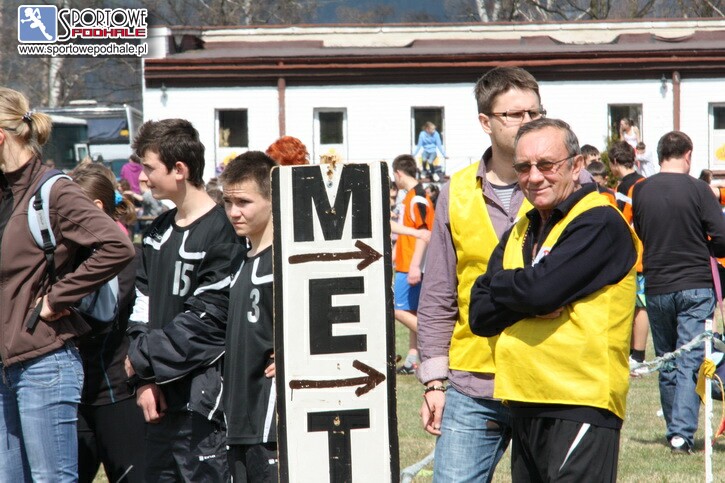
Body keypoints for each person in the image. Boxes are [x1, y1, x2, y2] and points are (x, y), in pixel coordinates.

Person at [469, 118, 638, 482]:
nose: (534, 177)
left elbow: (540, 292)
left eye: (546, 165)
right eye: (523, 167)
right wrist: (527, 293)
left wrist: (512, 288)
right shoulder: (521, 228)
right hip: (523, 399)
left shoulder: (599, 222)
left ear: (576, 166)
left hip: (579, 401)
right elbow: (479, 315)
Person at [0, 87, 135, 482]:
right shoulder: (4, 194)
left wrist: (57, 298)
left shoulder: (53, 191)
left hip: (43, 363)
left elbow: (117, 246)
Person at [124, 119, 241, 481]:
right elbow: (140, 306)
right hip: (157, 400)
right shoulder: (156, 231)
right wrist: (144, 380)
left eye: (149, 168)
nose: (143, 178)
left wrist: (142, 360)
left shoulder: (225, 230)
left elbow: (208, 320)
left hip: (203, 405)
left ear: (179, 169)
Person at [632, 131, 725, 454]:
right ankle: (681, 434)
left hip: (657, 285)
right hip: (695, 282)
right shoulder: (699, 189)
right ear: (688, 155)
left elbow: (641, 231)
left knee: (667, 359)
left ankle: (675, 428)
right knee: (689, 359)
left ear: (660, 155)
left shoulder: (641, 190)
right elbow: (721, 236)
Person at [71, 165, 147, 483]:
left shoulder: (128, 257)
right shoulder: (69, 255)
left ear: (96, 207)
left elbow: (101, 320)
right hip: (74, 396)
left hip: (117, 393)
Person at [220, 151, 279, 482]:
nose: (233, 212)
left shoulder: (287, 261)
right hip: (238, 417)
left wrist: (297, 355)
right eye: (228, 202)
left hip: (270, 419)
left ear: (273, 200)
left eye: (244, 202)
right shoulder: (237, 261)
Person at [392, 154, 434, 375]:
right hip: (406, 262)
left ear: (398, 173)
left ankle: (438, 340)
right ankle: (412, 360)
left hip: (411, 265)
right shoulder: (411, 196)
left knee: (397, 311)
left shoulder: (418, 198)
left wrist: (416, 266)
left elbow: (424, 233)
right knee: (412, 312)